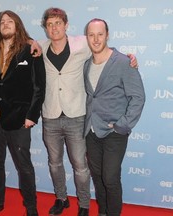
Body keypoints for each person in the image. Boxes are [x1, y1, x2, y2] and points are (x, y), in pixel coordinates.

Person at [39, 8, 138, 216]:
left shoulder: (83, 45)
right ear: (46, 28)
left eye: (58, 23)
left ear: (66, 25)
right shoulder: (40, 48)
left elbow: (106, 51)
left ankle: (85, 204)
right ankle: (62, 198)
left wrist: (131, 58)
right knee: (56, 163)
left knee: (86, 169)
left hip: (79, 118)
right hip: (55, 117)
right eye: (50, 24)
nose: (54, 27)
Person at [0, 10, 46, 216]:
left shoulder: (30, 50)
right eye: (2, 22)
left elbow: (39, 87)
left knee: (24, 165)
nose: (5, 24)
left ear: (18, 25)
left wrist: (31, 116)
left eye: (10, 21)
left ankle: (31, 206)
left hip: (19, 119)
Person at [83, 18, 145, 216]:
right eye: (91, 34)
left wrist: (122, 125)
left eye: (100, 34)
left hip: (114, 132)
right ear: (87, 37)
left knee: (110, 178)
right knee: (98, 177)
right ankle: (103, 212)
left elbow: (138, 97)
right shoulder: (86, 64)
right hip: (91, 131)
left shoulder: (124, 62)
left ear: (107, 35)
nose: (96, 39)